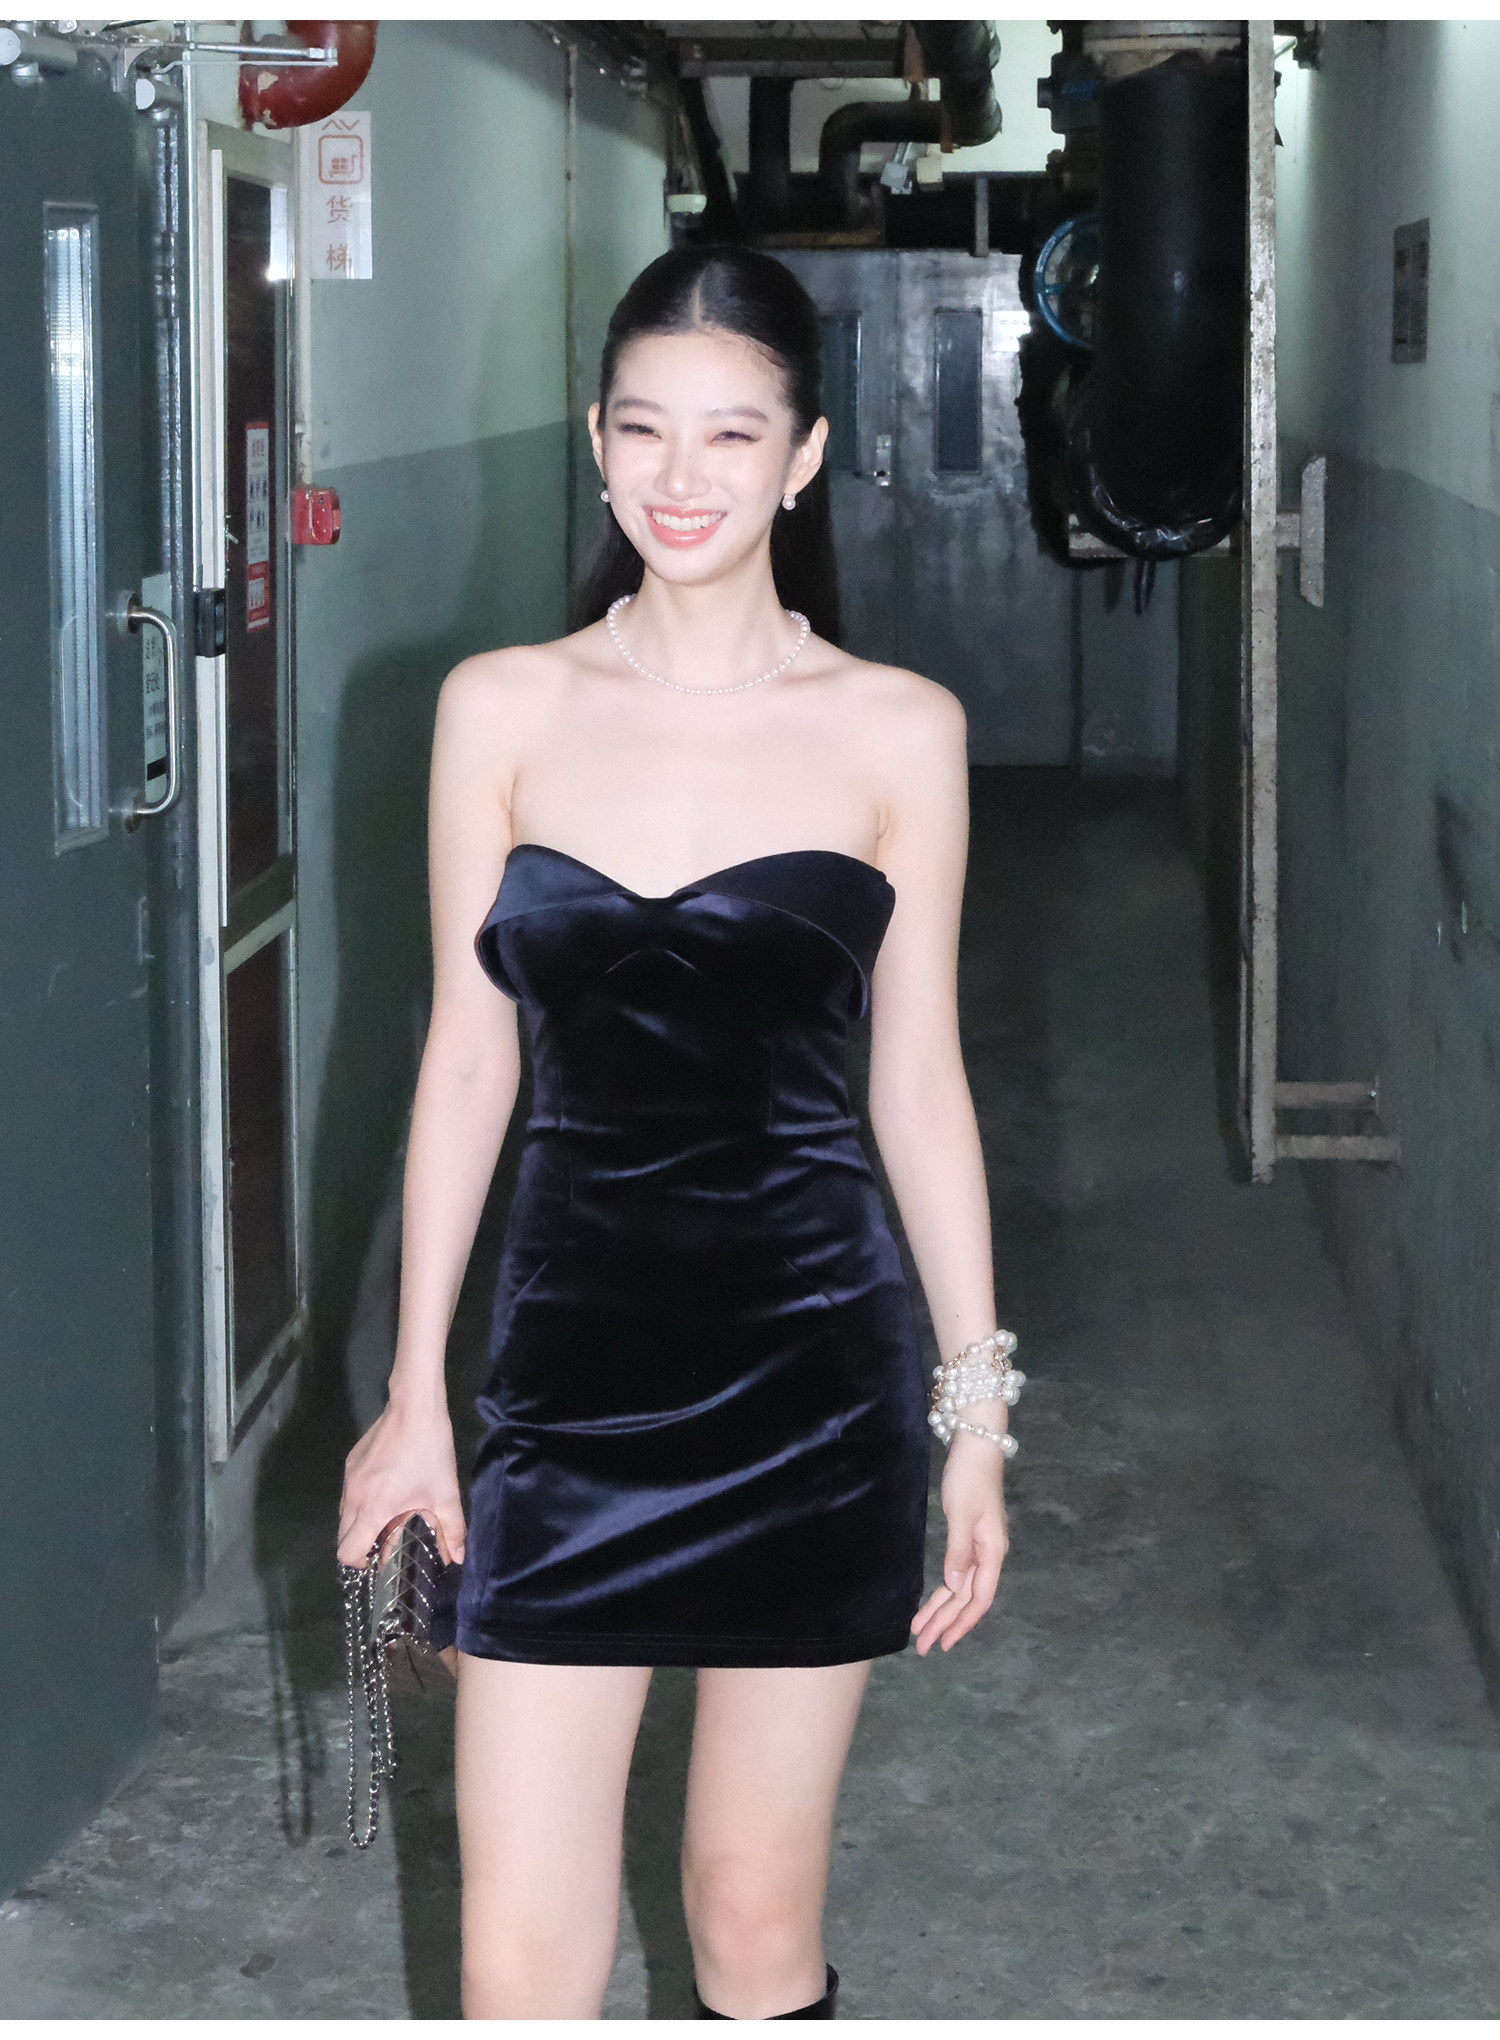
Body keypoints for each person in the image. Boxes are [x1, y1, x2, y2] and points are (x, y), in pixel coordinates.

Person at [337, 246, 1017, 2020]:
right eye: (644, 429)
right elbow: (466, 1061)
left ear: (804, 458)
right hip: (563, 1378)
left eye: (732, 433)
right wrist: (417, 1396)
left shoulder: (899, 731)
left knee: (750, 1921)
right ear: (596, 441)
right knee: (518, 1962)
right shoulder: (501, 706)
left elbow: (919, 1085)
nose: (682, 475)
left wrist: (975, 1415)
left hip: (816, 1381)